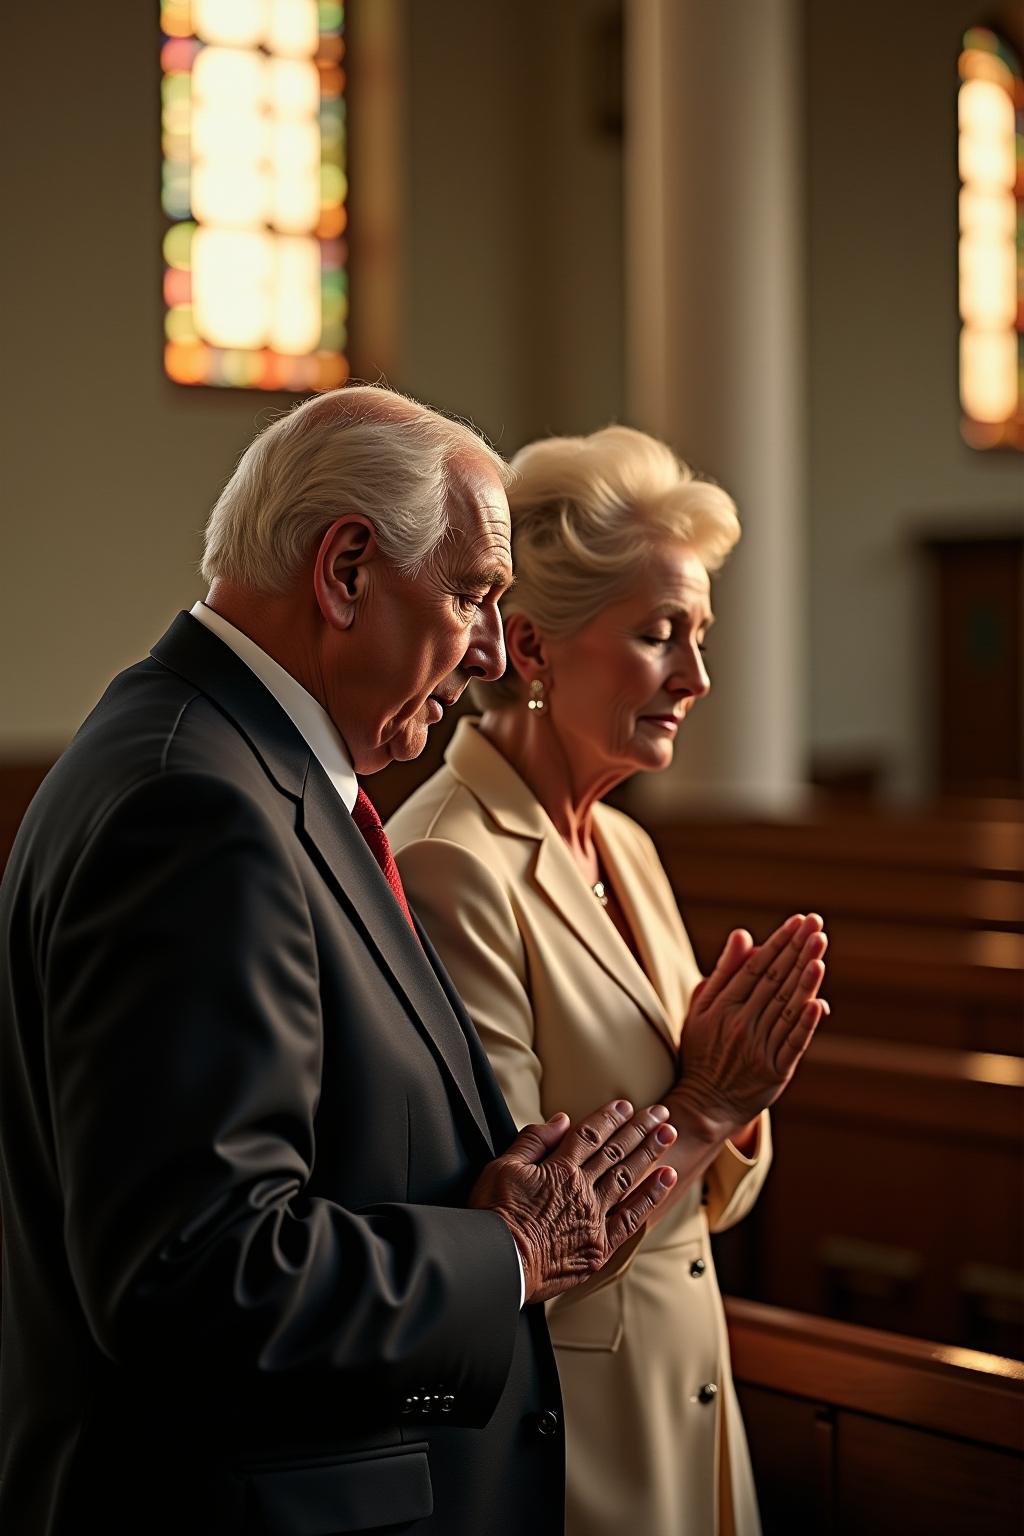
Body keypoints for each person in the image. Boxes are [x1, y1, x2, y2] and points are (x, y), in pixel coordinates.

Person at [0, 388, 690, 1536]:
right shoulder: (195, 807)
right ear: (348, 569)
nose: (485, 651)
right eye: (473, 596)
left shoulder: (217, 760)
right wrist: (508, 1253)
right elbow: (197, 1274)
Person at [388, 425, 829, 1536]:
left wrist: (732, 1112)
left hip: (689, 1398)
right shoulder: (450, 860)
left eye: (700, 635)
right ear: (530, 650)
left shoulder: (624, 846)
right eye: (657, 636)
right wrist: (712, 1100)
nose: (696, 677)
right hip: (570, 1441)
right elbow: (504, 1240)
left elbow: (706, 1185)